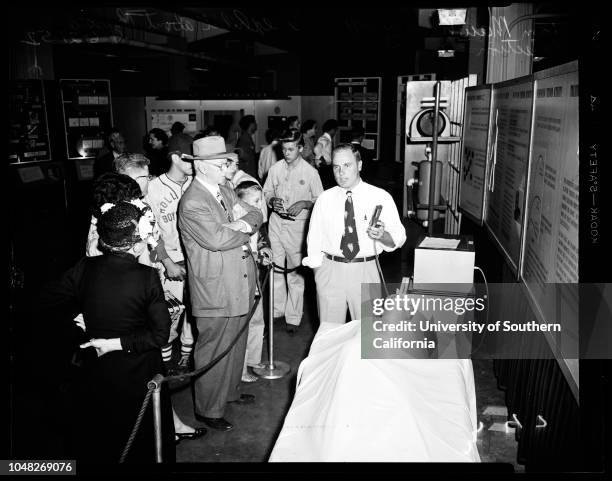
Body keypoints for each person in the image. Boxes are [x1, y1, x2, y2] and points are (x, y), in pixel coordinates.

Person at [41, 201, 175, 463]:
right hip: (139, 372)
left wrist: (74, 318)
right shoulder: (146, 276)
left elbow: (45, 299)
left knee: (106, 435)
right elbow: (160, 335)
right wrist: (116, 343)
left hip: (98, 370)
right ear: (136, 243)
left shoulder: (84, 268)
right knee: (142, 439)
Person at [178, 136, 263, 432]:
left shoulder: (225, 190)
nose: (228, 167)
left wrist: (238, 225)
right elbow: (216, 240)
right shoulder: (192, 202)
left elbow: (255, 213)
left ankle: (229, 394)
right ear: (201, 167)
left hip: (238, 282)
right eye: (221, 163)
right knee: (213, 349)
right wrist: (238, 229)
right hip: (215, 289)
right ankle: (208, 410)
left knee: (235, 343)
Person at [302, 143, 407, 324]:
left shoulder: (379, 197)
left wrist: (382, 235)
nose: (341, 172)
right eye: (336, 167)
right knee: (330, 336)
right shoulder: (324, 199)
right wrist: (320, 273)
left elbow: (399, 238)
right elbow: (314, 240)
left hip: (365, 269)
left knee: (366, 333)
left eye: (347, 165)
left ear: (359, 165)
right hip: (330, 271)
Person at [263, 129, 323, 334]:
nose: (286, 153)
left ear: (300, 148)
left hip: (297, 227)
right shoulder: (275, 169)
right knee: (276, 269)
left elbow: (320, 200)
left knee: (295, 275)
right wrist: (272, 200)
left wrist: (305, 203)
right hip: (276, 224)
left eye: (290, 149)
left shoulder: (310, 173)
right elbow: (266, 191)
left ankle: (294, 317)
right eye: (283, 149)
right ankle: (277, 310)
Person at [145, 135, 194, 372]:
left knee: (194, 313)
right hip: (170, 260)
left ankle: (186, 355)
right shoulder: (153, 188)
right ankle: (163, 366)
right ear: (175, 157)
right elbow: (148, 232)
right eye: (189, 158)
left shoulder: (196, 182)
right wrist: (166, 262)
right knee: (169, 315)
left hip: (196, 259)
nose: (194, 163)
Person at [233, 181, 273, 382]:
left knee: (258, 319)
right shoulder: (236, 222)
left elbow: (262, 238)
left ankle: (254, 359)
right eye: (255, 200)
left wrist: (265, 248)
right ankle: (240, 370)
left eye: (261, 200)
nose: (259, 205)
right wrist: (256, 256)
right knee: (243, 325)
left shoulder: (258, 220)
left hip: (256, 278)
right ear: (239, 202)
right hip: (242, 280)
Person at [314, 119, 338, 189]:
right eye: (336, 130)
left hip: (325, 168)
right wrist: (322, 161)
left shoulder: (326, 139)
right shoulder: (324, 139)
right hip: (325, 169)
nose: (336, 132)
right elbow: (316, 149)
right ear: (333, 130)